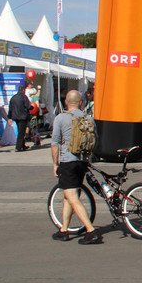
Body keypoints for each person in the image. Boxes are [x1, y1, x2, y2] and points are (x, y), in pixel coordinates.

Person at [50, 89, 101, 244]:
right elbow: (96, 139)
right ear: (81, 102)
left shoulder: (60, 118)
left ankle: (91, 231)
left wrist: (55, 164)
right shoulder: (88, 118)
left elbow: (55, 143)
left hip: (68, 162)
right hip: (82, 161)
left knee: (72, 197)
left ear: (66, 102)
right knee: (68, 196)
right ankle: (64, 230)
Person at [8, 82, 32, 152]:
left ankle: (23, 145)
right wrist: (32, 107)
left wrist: (9, 117)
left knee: (20, 131)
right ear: (23, 90)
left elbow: (10, 108)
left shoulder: (13, 97)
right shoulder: (24, 97)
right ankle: (18, 147)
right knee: (21, 132)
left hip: (15, 117)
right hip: (22, 117)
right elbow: (28, 106)